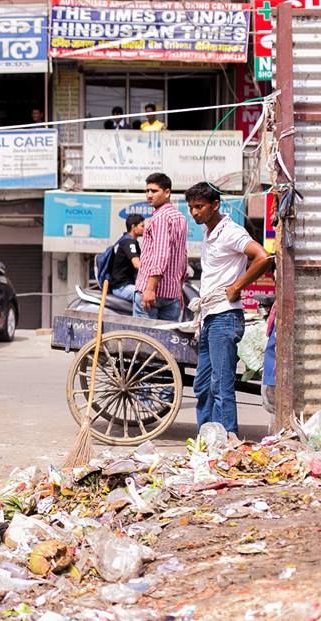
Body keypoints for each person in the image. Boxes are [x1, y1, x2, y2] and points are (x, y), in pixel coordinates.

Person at [187, 183, 270, 435]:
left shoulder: (230, 231)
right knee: (202, 385)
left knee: (220, 386)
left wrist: (237, 286)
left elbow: (263, 257)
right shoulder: (209, 233)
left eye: (199, 207)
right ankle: (208, 438)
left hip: (225, 316)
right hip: (210, 316)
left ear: (215, 205)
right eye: (191, 207)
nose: (194, 213)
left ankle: (228, 442)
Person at [133, 173, 187, 321]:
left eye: (154, 191)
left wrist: (150, 289)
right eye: (147, 191)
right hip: (172, 294)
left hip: (151, 292)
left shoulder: (160, 218)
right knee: (165, 343)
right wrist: (179, 289)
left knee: (144, 341)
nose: (149, 195)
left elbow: (160, 255)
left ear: (167, 192)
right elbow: (183, 256)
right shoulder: (180, 217)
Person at [109, 214, 145, 301]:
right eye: (142, 226)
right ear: (133, 227)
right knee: (144, 295)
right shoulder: (129, 242)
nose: (144, 229)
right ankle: (139, 315)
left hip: (127, 285)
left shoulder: (129, 241)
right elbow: (137, 264)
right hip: (121, 287)